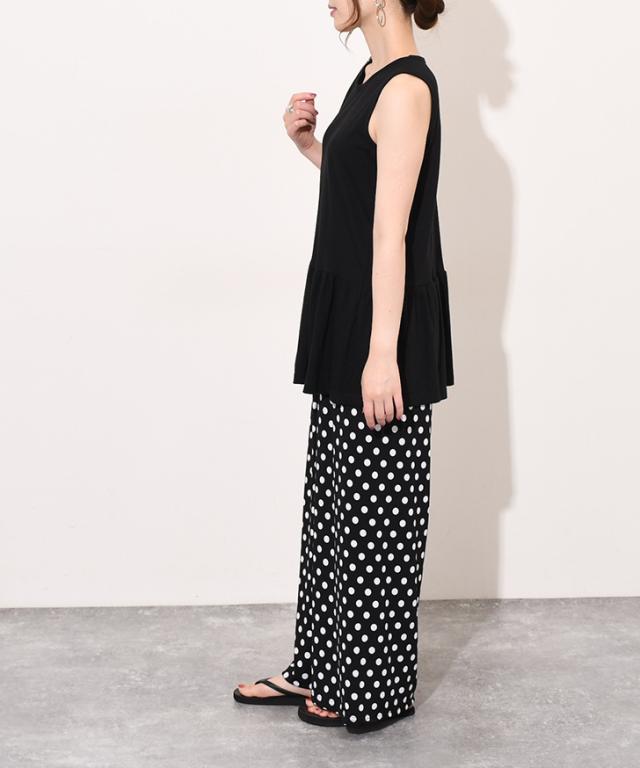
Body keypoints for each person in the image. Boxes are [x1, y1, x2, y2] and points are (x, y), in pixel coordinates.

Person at [233, 0, 453, 734]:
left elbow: (393, 230)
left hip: (378, 326)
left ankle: (369, 688)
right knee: (332, 509)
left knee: (376, 518)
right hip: (350, 313)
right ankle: (318, 665)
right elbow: (364, 191)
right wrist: (311, 148)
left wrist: (383, 352)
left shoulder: (407, 88)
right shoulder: (370, 76)